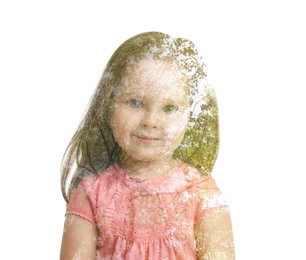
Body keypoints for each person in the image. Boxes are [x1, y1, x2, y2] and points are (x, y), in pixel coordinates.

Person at [60, 31, 235, 259]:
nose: (151, 121)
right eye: (135, 102)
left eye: (170, 108)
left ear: (190, 117)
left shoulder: (201, 194)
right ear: (109, 107)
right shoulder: (90, 194)